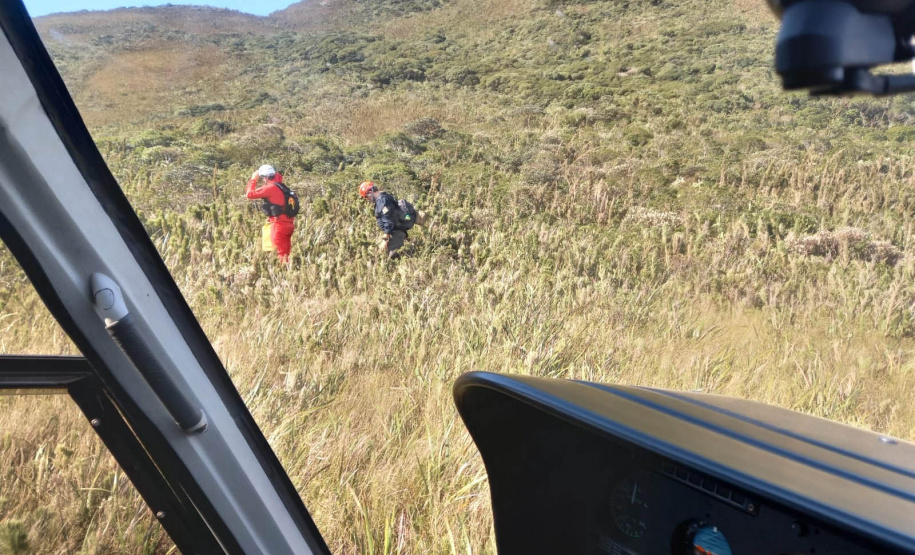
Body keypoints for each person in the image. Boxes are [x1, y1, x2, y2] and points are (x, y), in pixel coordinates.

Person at [359, 181, 424, 259]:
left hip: (396, 232)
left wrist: (384, 239)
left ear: (370, 192)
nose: (367, 199)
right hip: (396, 231)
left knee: (392, 257)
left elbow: (389, 221)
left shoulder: (382, 202)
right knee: (392, 255)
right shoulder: (384, 196)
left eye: (366, 196)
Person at [246, 164, 296, 263]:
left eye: (262, 178)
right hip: (289, 224)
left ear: (265, 177)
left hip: (279, 225)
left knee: (279, 255)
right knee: (286, 254)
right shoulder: (282, 187)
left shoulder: (270, 188)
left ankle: (282, 275)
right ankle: (287, 272)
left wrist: (253, 179)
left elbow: (249, 194)